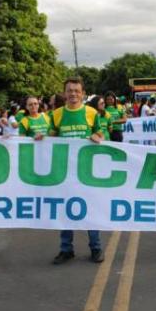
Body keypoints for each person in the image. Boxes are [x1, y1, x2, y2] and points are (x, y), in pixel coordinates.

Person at [49, 77, 104, 264]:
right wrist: (42, 138)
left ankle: (96, 248)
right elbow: (51, 136)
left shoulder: (91, 112)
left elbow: (101, 132)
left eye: (76, 91)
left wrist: (97, 136)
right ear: (65, 93)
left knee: (90, 210)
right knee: (65, 211)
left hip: (87, 171)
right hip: (65, 172)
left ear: (82, 93)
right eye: (70, 90)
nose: (73, 94)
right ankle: (66, 249)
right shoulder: (56, 114)